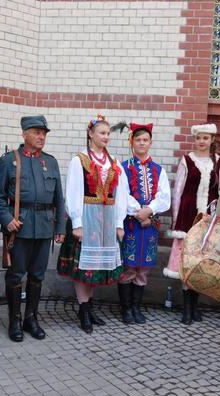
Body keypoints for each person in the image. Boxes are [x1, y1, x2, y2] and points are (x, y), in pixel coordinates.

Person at [57, 114, 134, 334]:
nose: (106, 137)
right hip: (87, 218)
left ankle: (89, 308)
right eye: (102, 133)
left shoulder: (114, 162)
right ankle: (83, 310)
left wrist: (119, 223)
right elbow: (73, 191)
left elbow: (121, 194)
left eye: (108, 133)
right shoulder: (79, 160)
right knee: (85, 267)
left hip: (107, 221)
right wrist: (77, 223)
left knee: (96, 267)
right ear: (91, 134)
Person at [0, 115, 65, 342]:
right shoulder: (9, 161)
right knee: (16, 275)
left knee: (37, 275)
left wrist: (60, 227)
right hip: (19, 227)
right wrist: (7, 219)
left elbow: (59, 198)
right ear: (25, 134)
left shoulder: (51, 162)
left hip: (44, 227)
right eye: (36, 132)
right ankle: (14, 320)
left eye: (44, 133)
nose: (41, 136)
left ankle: (30, 319)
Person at [163, 123, 220, 325]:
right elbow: (178, 191)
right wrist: (176, 218)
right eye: (198, 138)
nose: (201, 141)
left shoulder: (219, 162)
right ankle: (186, 308)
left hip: (209, 217)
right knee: (187, 259)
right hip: (188, 215)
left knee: (201, 261)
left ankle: (195, 305)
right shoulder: (187, 160)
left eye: (205, 138)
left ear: (212, 139)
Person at [119, 122, 171, 324]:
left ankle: (136, 308)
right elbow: (122, 194)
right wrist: (139, 212)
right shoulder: (123, 168)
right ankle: (126, 309)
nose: (142, 143)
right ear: (131, 142)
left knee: (143, 268)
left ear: (150, 142)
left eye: (145, 140)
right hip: (131, 224)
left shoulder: (158, 170)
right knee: (129, 266)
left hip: (149, 224)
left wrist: (149, 210)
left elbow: (164, 197)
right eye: (138, 139)